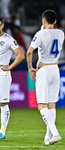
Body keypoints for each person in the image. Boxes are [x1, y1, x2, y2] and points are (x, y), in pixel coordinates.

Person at [27, 10, 64, 145]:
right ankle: (47, 137)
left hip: (44, 70)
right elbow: (51, 37)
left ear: (43, 21)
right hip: (55, 69)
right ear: (55, 21)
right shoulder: (61, 34)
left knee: (42, 105)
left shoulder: (40, 34)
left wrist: (30, 68)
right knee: (51, 104)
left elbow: (30, 51)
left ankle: (55, 134)